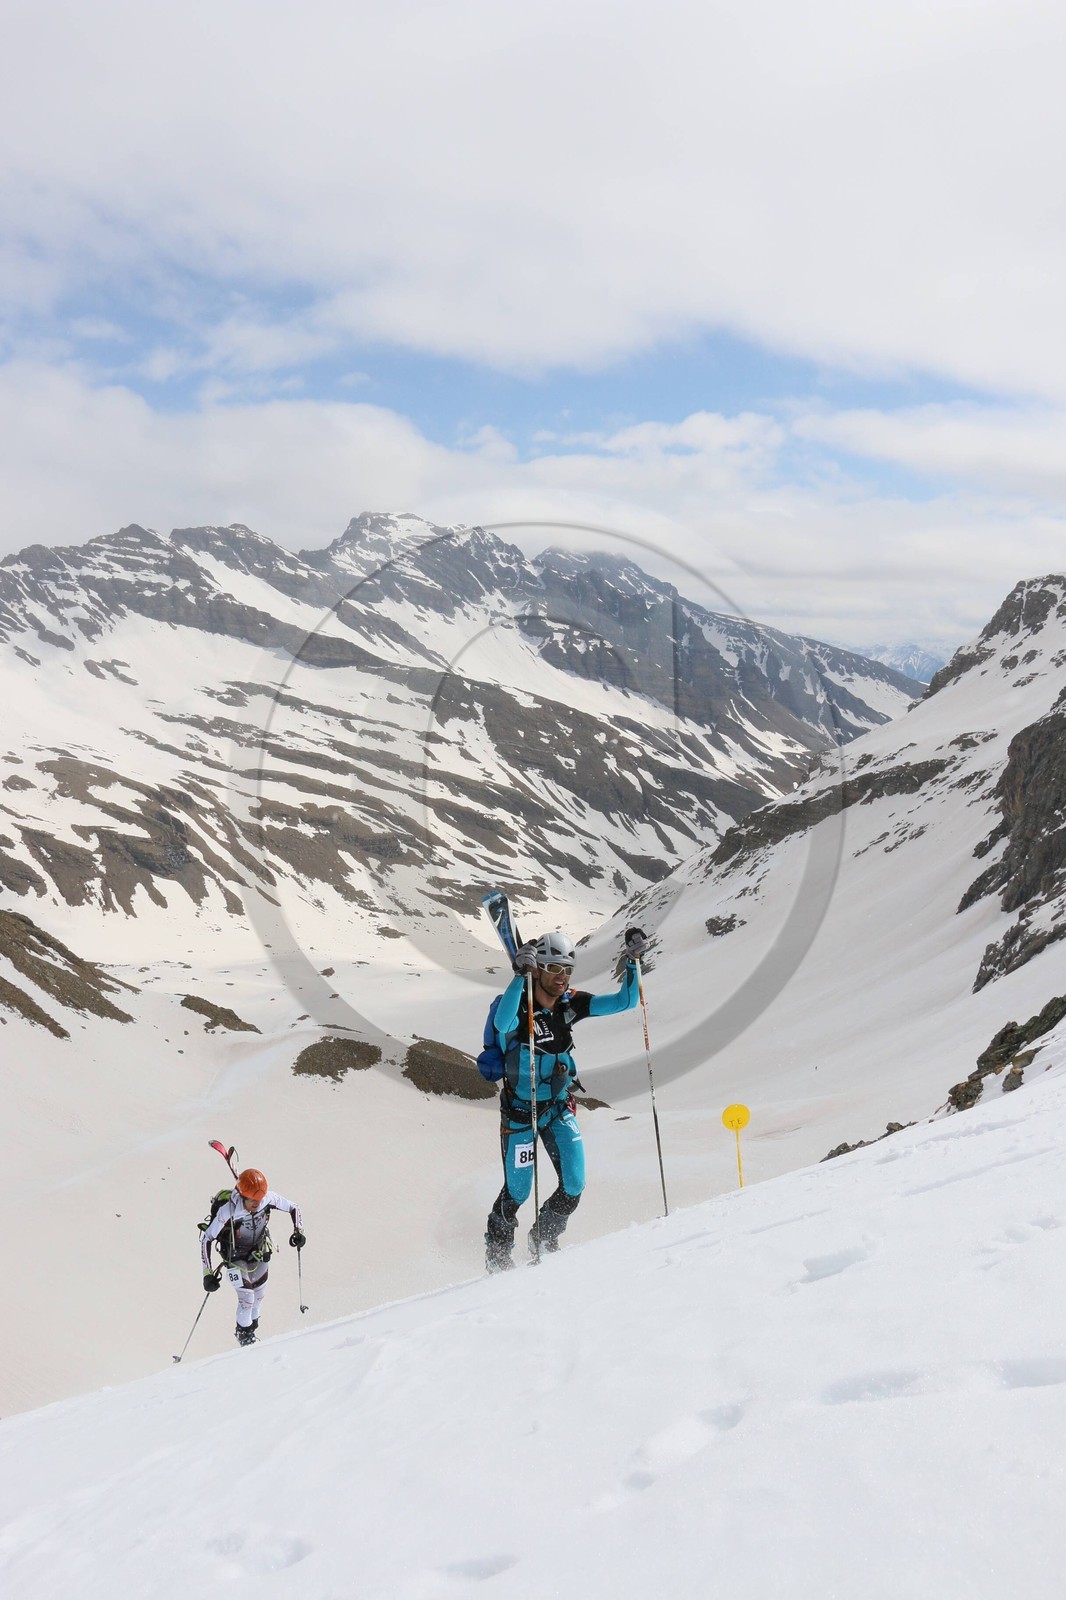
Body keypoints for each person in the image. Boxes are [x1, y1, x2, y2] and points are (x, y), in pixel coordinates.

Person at [482, 927, 648, 1271]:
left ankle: (544, 1237)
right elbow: (502, 1023)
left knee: (574, 1182)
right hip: (519, 1114)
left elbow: (626, 1001)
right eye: (555, 969)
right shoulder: (518, 1004)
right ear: (539, 968)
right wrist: (518, 976)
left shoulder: (570, 1004)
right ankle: (498, 1255)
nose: (563, 977)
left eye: (568, 969)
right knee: (518, 1192)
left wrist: (632, 963)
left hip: (557, 1107)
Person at [201, 1167, 305, 1345]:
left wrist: (298, 1231)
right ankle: (245, 1340)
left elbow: (294, 1207)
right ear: (242, 1196)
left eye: (260, 1199)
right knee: (247, 1298)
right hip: (234, 1257)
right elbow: (207, 1239)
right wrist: (207, 1274)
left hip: (258, 1252)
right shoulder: (228, 1211)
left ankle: (252, 1332)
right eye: (252, 1200)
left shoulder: (267, 1199)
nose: (257, 1203)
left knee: (258, 1297)